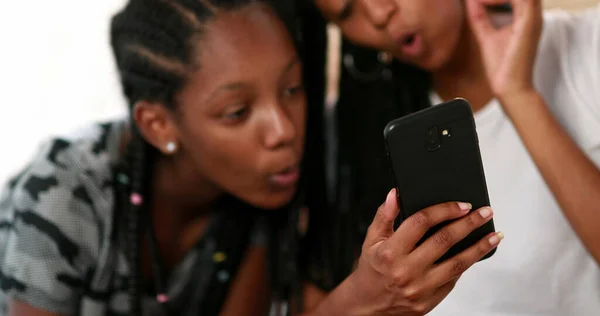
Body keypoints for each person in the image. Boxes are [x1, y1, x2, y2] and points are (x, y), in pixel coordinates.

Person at [0, 0, 501, 315]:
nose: (283, 131)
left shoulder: (260, 195)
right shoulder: (63, 195)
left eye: (292, 88)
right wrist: (363, 299)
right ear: (159, 124)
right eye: (238, 111)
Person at [300, 0, 600, 315]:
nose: (378, 14)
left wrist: (518, 94)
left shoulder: (588, 48)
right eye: (347, 12)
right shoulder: (351, 136)